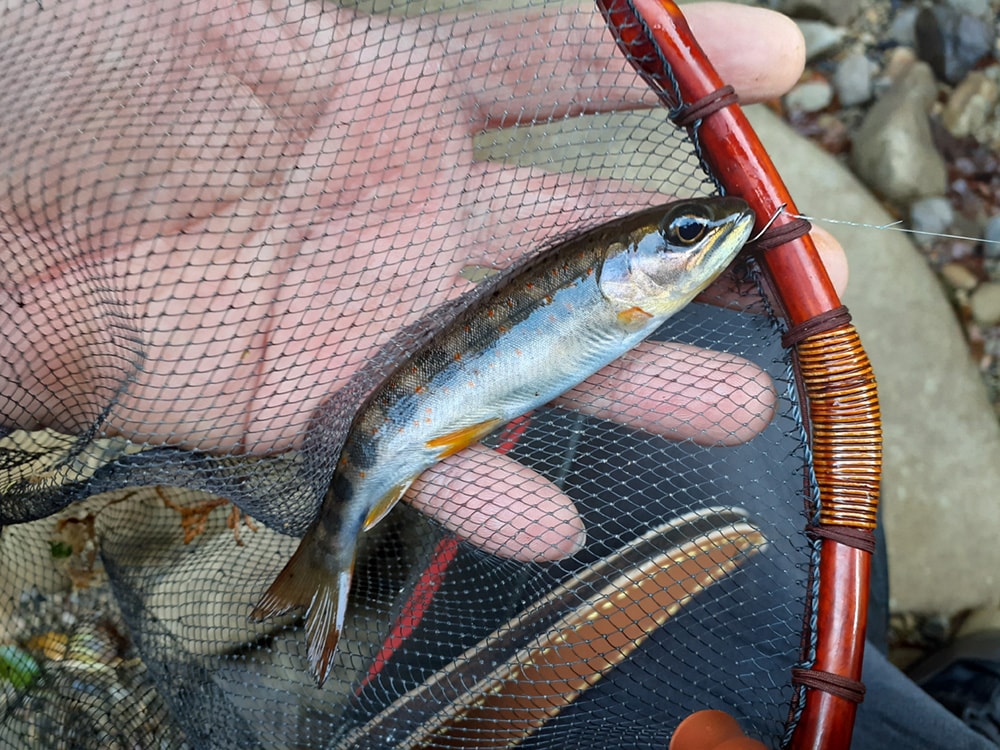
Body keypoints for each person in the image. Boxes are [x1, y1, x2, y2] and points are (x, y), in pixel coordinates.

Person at [0, 1, 987, 748]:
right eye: (683, 238)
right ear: (623, 268)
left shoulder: (637, 288)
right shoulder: (634, 290)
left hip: (424, 415)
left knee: (724, 393)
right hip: (409, 423)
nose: (709, 241)